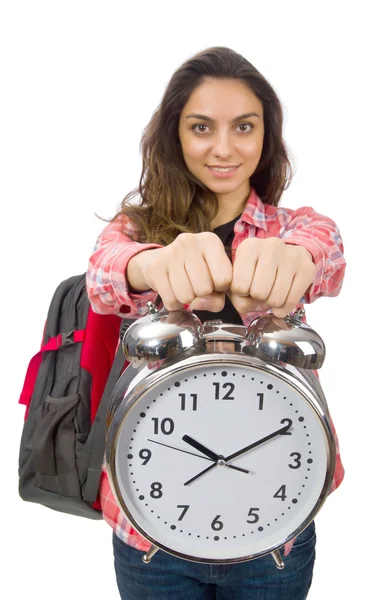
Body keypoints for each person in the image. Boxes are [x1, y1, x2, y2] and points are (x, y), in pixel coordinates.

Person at [86, 46, 346, 600]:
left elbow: (327, 252)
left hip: (276, 525)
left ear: (266, 138)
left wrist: (295, 260)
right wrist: (149, 263)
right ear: (175, 136)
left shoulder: (294, 226)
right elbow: (101, 275)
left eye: (244, 127)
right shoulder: (138, 227)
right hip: (147, 529)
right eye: (201, 127)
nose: (223, 148)